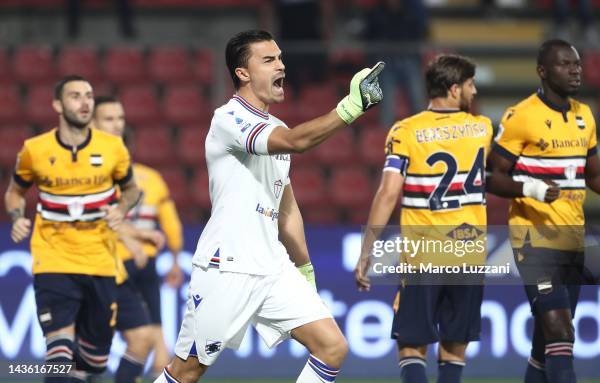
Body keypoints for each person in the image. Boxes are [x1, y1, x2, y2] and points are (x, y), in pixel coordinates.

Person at [153, 29, 384, 383]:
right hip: (226, 266)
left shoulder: (277, 126)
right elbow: (297, 142)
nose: (281, 65)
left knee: (332, 347)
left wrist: (304, 270)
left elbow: (286, 210)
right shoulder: (228, 119)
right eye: (269, 60)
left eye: (280, 57)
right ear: (242, 73)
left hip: (272, 267)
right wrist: (350, 107)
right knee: (186, 371)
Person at [354, 54, 492, 383]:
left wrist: (367, 249)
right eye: (470, 85)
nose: (474, 92)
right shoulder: (482, 128)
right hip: (470, 254)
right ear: (454, 89)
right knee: (455, 346)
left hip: (424, 255)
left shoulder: (406, 131)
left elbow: (388, 193)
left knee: (411, 346)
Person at [486, 39, 600, 383]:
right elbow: (492, 177)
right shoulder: (521, 117)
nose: (575, 70)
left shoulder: (584, 115)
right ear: (543, 71)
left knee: (546, 345)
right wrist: (531, 188)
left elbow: (596, 176)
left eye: (577, 64)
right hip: (533, 239)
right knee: (559, 328)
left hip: (573, 238)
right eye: (565, 64)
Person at [4, 75, 141, 382]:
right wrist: (17, 216)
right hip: (53, 258)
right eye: (76, 96)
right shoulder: (35, 150)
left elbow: (132, 190)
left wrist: (121, 209)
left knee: (93, 363)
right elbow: (15, 191)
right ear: (57, 104)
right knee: (60, 350)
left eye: (89, 96)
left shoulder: (113, 148)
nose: (84, 102)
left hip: (101, 261)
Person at [92, 95, 185, 379]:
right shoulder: (153, 178)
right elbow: (171, 225)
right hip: (142, 262)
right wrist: (175, 259)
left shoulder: (99, 174)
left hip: (114, 261)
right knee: (154, 332)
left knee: (108, 334)